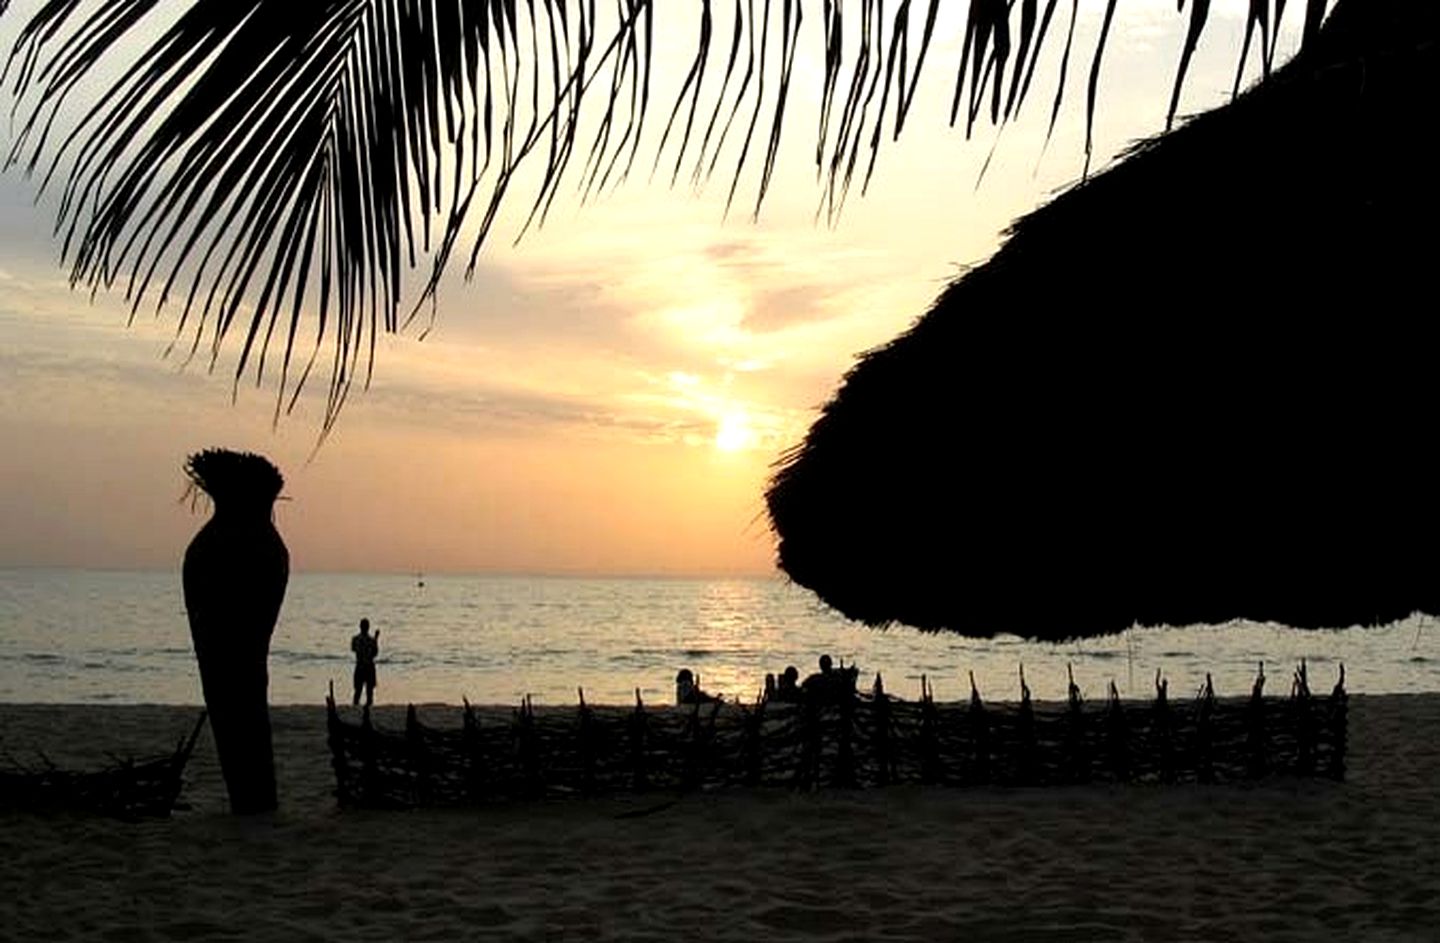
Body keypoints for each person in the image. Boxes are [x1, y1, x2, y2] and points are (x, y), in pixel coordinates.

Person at [351, 618, 380, 708]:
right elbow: (375, 653)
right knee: (369, 691)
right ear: (368, 627)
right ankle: (367, 707)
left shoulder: (355, 639)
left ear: (360, 627)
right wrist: (376, 639)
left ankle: (356, 706)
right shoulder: (371, 640)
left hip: (360, 665)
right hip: (368, 666)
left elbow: (353, 649)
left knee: (358, 690)